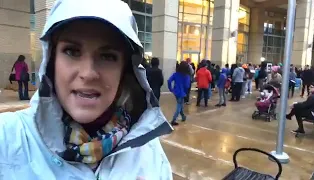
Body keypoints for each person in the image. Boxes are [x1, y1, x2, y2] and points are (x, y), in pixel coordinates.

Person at [0, 0, 173, 179]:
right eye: (72, 52)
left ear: (125, 71)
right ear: (52, 62)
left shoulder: (148, 151)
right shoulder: (7, 138)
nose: (88, 73)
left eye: (107, 56)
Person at [168, 61, 190, 126]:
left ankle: (183, 116)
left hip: (176, 92)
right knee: (179, 105)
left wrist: (171, 89)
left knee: (180, 104)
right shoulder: (186, 76)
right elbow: (187, 86)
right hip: (182, 92)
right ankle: (174, 119)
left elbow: (169, 81)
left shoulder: (175, 74)